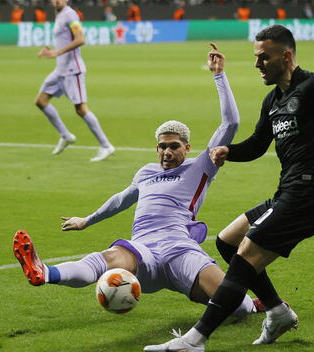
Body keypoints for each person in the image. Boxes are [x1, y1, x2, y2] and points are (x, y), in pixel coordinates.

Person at [144, 24, 314, 352]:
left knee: (245, 255)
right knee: (227, 241)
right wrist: (228, 152)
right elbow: (256, 145)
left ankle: (195, 339)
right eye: (257, 58)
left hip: (310, 194)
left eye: (264, 58)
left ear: (287, 55)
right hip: (288, 192)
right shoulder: (273, 100)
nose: (258, 65)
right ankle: (277, 311)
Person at [14, 44, 268, 321]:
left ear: (187, 147)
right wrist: (87, 219)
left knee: (234, 306)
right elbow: (123, 198)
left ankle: (251, 305)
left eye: (174, 146)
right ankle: (44, 272)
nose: (167, 152)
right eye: (162, 147)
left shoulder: (201, 166)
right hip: (142, 249)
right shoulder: (146, 172)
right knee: (107, 259)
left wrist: (218, 75)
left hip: (180, 250)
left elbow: (230, 124)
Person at [36, 0, 115, 161]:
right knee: (41, 101)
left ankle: (106, 146)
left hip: (73, 70)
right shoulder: (58, 15)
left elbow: (80, 39)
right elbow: (64, 40)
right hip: (60, 70)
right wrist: (52, 50)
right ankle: (66, 136)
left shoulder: (70, 14)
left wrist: (57, 52)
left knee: (81, 109)